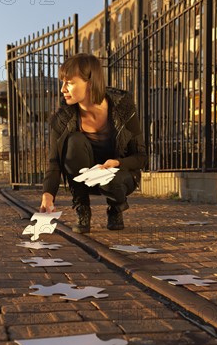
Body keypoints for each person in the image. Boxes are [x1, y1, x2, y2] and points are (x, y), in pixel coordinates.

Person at [39, 53, 147, 233]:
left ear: (89, 82)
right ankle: (82, 209)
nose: (63, 89)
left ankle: (115, 208)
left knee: (113, 181)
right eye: (62, 82)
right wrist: (48, 196)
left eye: (70, 83)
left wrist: (117, 163)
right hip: (83, 179)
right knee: (73, 141)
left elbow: (141, 157)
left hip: (118, 177)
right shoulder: (62, 119)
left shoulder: (123, 106)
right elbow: (54, 162)